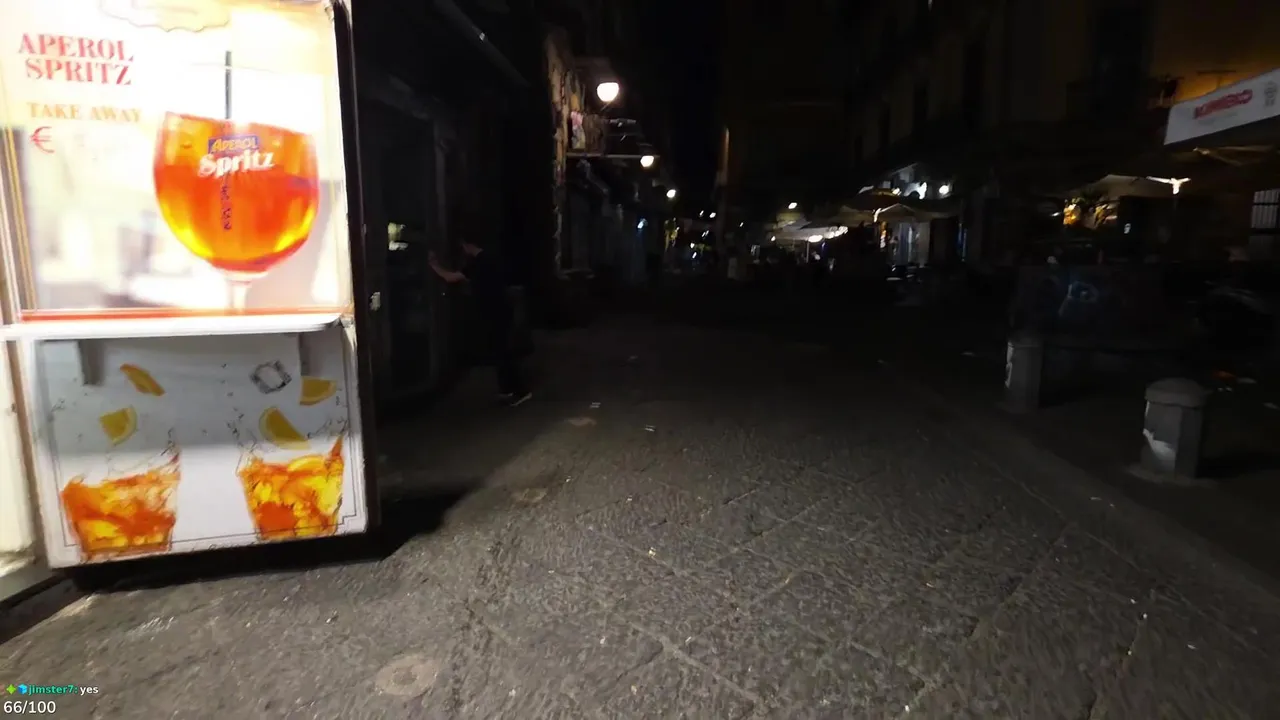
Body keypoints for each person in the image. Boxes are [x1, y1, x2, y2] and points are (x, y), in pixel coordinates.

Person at [428, 241, 531, 407]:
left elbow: (451, 277)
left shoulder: (477, 264)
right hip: (502, 310)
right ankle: (507, 389)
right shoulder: (491, 258)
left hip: (494, 312)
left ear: (468, 245)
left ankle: (519, 390)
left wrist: (434, 265)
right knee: (501, 351)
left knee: (502, 353)